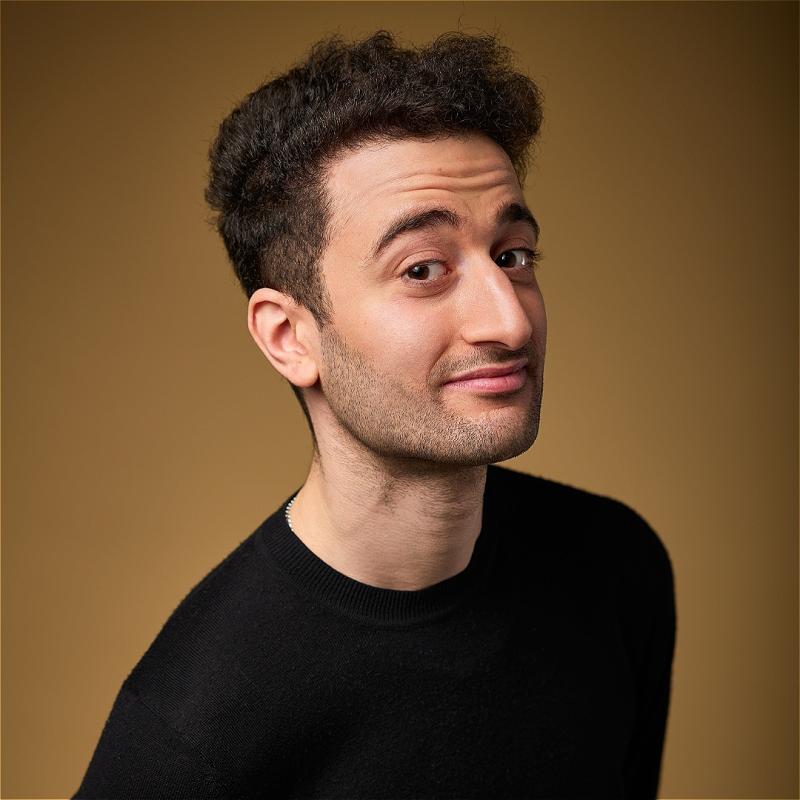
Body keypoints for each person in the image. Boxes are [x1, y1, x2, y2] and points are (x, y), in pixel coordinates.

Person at [74, 30, 676, 799]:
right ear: (291, 337)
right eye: (423, 269)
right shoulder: (190, 732)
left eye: (512, 255)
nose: (511, 322)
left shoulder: (616, 568)